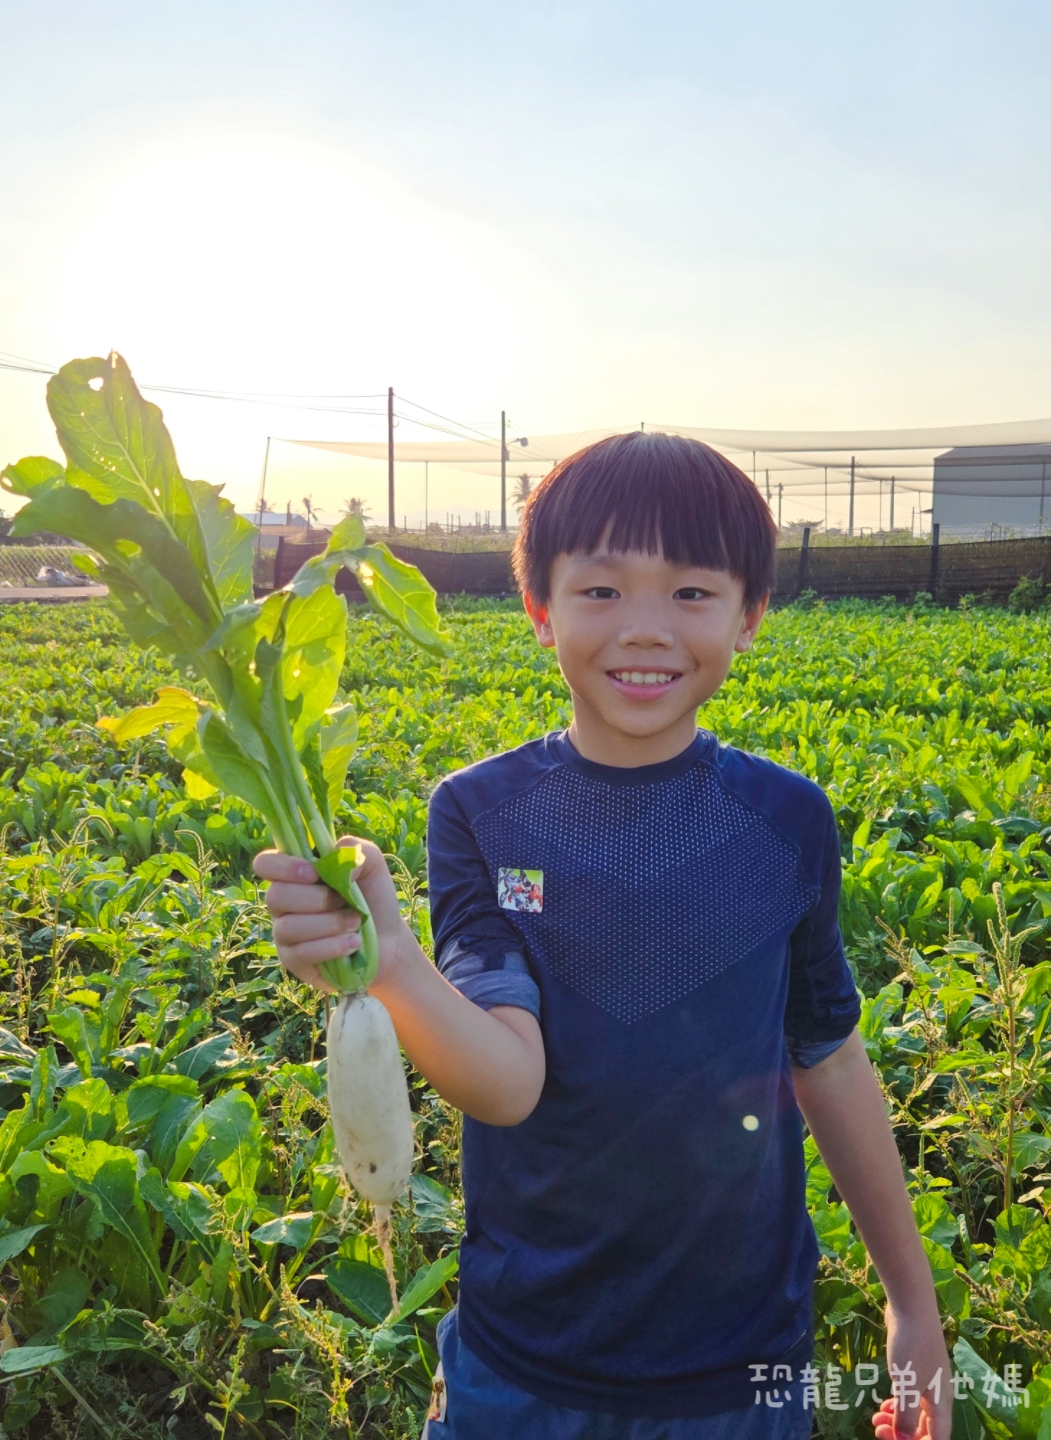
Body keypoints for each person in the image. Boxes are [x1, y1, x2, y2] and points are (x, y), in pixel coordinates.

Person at [254, 432, 951, 1440]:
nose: (645, 630)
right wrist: (393, 964)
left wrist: (913, 1303)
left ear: (751, 614)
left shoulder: (784, 819)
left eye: (691, 594)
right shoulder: (481, 813)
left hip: (741, 1362)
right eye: (602, 592)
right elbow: (506, 1080)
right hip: (525, 1359)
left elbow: (828, 1053)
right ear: (540, 610)